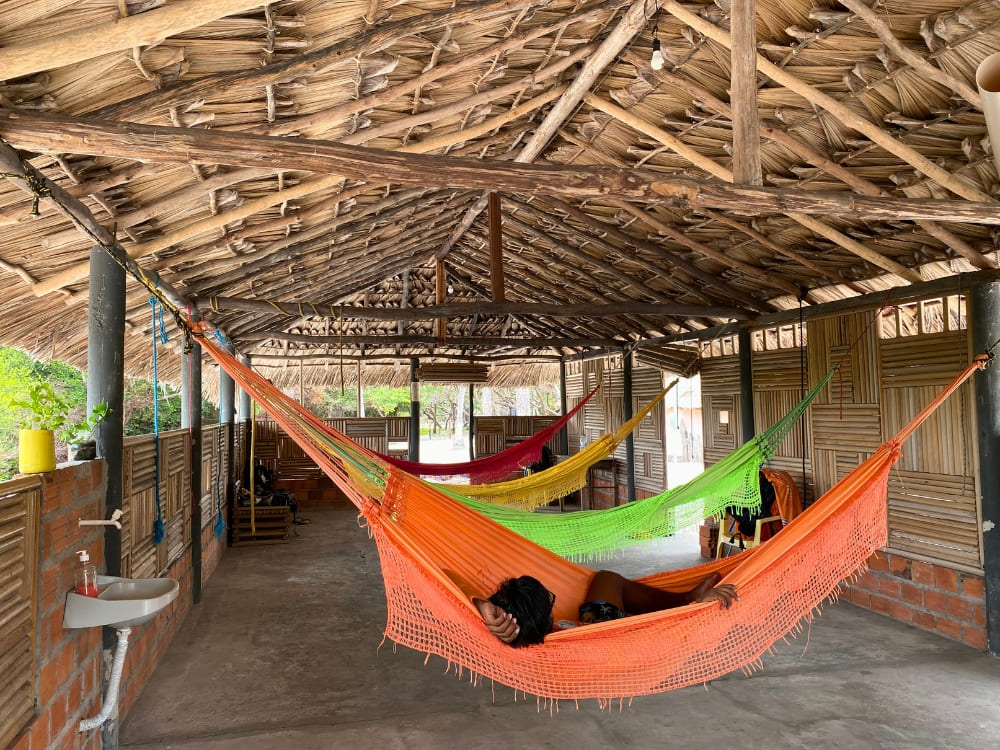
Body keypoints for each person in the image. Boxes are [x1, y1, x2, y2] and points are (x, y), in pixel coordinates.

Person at [471, 570, 738, 647]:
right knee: (610, 580)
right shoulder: (592, 640)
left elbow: (448, 576)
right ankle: (685, 599)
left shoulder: (500, 627)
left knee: (605, 579)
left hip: (582, 627)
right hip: (603, 630)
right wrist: (693, 610)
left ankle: (686, 598)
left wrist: (480, 604)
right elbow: (650, 636)